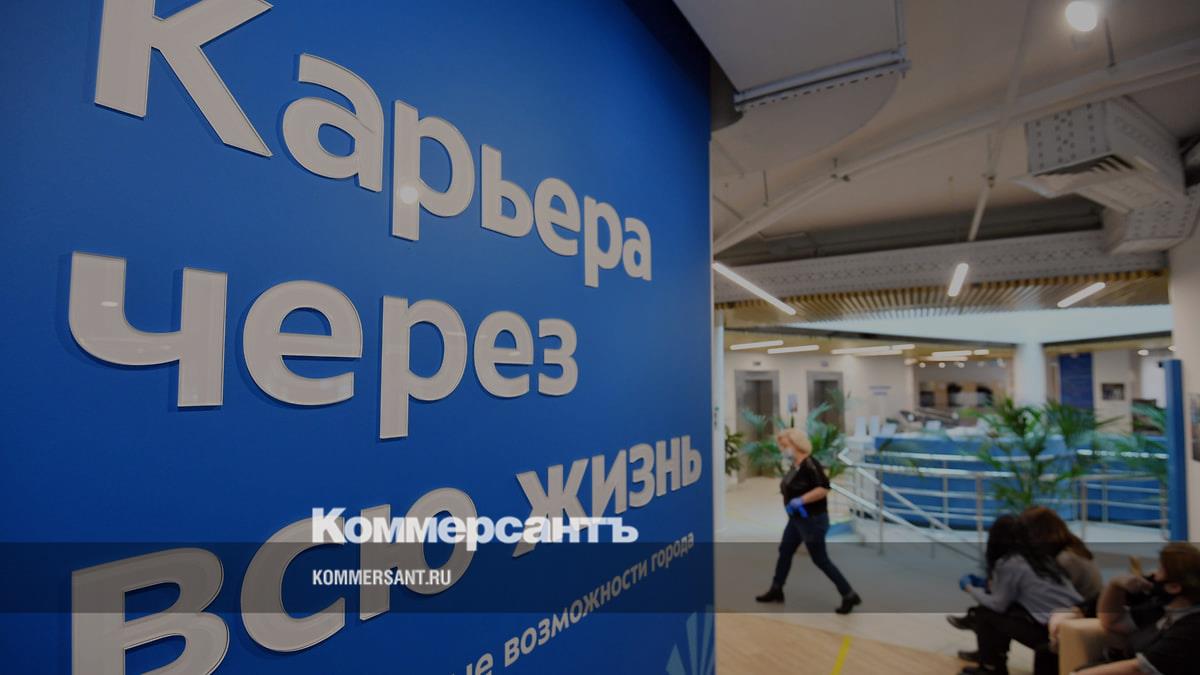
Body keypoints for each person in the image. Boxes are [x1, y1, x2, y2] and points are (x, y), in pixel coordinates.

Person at [754, 427, 861, 614]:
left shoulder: (811, 465)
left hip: (812, 521)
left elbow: (824, 488)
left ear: (796, 444)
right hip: (796, 520)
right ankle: (776, 589)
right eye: (781, 446)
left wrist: (801, 500)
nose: (783, 450)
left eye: (785, 446)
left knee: (820, 559)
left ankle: (849, 594)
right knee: (785, 551)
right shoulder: (796, 465)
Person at [957, 515, 1082, 675]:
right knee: (1008, 612)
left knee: (986, 613)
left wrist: (969, 588)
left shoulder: (1010, 563)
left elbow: (998, 604)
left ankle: (990, 668)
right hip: (1075, 621)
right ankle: (992, 665)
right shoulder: (1041, 558)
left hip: (1054, 630)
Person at [1074, 542, 1200, 675]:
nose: (1153, 574)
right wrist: (1114, 586)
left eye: (1160, 570)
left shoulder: (1192, 626)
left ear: (1174, 587)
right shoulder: (1161, 609)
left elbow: (1141, 668)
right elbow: (1112, 621)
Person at [1022, 506, 1103, 615]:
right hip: (1086, 609)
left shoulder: (1067, 559)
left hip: (1081, 613)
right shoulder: (1073, 548)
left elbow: (1057, 596)